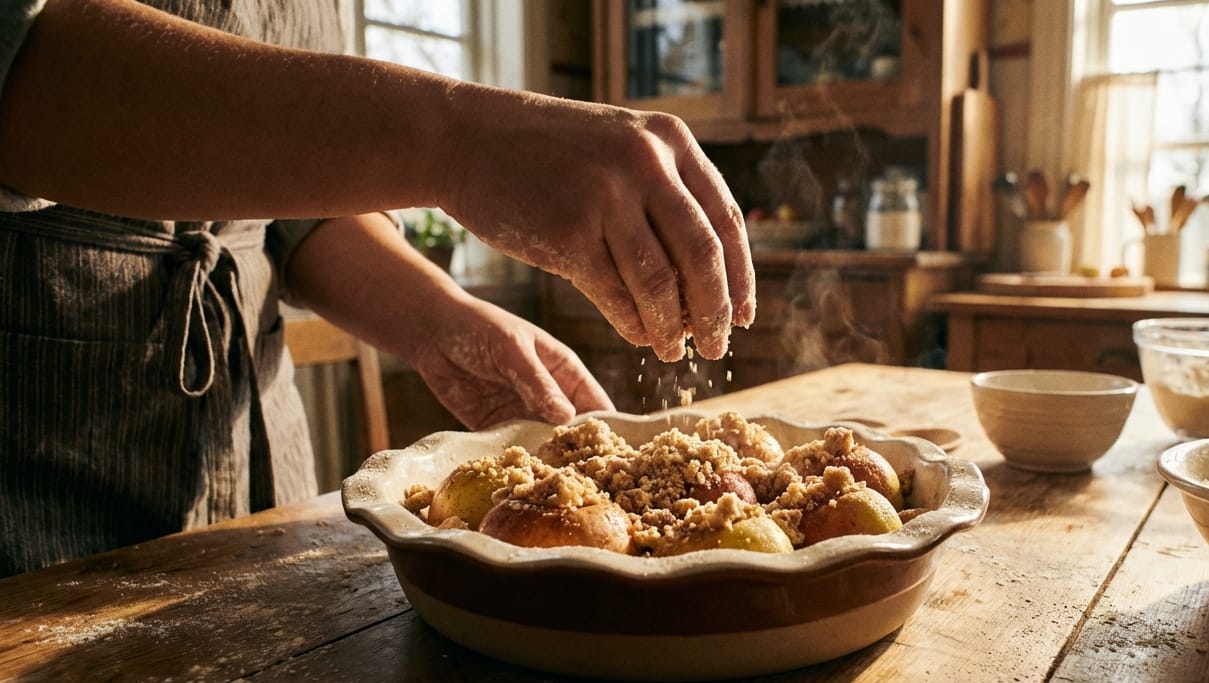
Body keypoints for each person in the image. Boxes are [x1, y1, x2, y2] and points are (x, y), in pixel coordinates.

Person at [0, 0, 756, 576]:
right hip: (34, 486)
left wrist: (437, 319)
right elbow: (18, 54)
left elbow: (283, 207)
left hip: (260, 473)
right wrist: (460, 141)